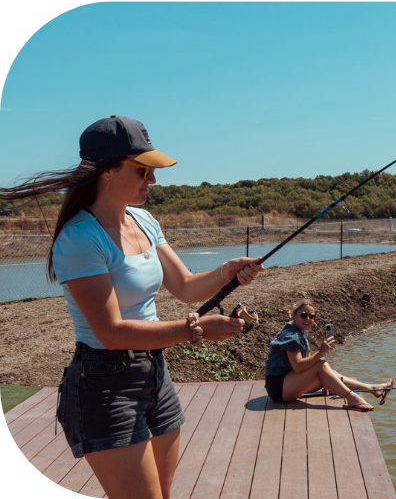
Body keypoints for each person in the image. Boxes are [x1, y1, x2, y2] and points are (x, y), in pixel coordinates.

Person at [0, 115, 263, 499]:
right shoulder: (79, 238)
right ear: (106, 172)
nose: (152, 180)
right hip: (104, 382)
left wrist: (226, 271)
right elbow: (110, 332)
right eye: (143, 169)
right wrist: (197, 330)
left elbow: (186, 287)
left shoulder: (142, 220)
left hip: (155, 372)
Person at [264, 299, 394, 411]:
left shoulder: (299, 331)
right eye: (303, 315)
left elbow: (305, 362)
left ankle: (372, 388)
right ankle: (352, 398)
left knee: (326, 370)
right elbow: (298, 366)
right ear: (293, 315)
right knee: (321, 364)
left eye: (311, 316)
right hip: (278, 388)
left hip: (289, 382)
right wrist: (320, 352)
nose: (308, 319)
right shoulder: (291, 336)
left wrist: (323, 378)